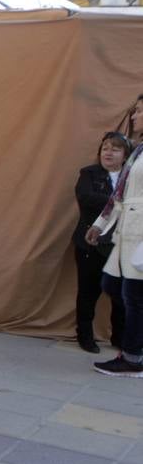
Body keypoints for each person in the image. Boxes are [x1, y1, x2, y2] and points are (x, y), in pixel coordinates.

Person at [87, 101, 143, 376]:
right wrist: (100, 225)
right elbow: (118, 196)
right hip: (126, 233)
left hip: (141, 234)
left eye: (140, 111)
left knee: (134, 296)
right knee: (112, 284)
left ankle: (133, 357)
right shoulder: (137, 152)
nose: (135, 116)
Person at [74, 132, 130, 353]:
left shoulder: (131, 176)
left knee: (121, 295)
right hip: (91, 243)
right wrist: (119, 203)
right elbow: (85, 197)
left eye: (115, 149)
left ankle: (120, 337)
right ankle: (85, 336)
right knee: (88, 292)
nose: (108, 152)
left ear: (125, 155)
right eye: (105, 148)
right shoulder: (89, 173)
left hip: (120, 245)